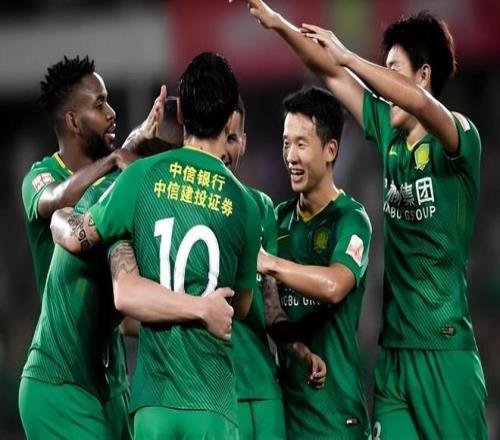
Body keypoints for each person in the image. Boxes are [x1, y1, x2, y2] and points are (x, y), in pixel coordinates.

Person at [235, 2, 487, 439]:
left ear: (424, 75)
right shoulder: (391, 135)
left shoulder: (458, 140)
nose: (383, 83)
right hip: (394, 355)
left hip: (446, 349)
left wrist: (351, 57)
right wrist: (278, 24)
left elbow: (413, 100)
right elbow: (329, 73)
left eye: (393, 69)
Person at [51, 51, 261, 439]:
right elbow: (242, 306)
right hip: (212, 404)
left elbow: (80, 238)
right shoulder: (247, 206)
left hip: (153, 403)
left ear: (179, 113)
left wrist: (57, 217)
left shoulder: (140, 177)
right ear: (229, 118)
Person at [253, 86, 372, 439]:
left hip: (337, 418)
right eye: (286, 143)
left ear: (330, 150)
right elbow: (273, 315)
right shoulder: (277, 220)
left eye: (301, 144)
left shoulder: (351, 220)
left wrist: (271, 264)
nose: (290, 155)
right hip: (286, 416)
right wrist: (301, 353)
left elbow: (335, 285)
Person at [227, 96, 327, 440]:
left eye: (233, 137)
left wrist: (301, 352)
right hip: (216, 393)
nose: (226, 149)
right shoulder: (187, 208)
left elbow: (271, 308)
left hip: (264, 390)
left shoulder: (261, 207)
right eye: (221, 136)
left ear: (244, 142)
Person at [21, 55, 135, 300]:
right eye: (99, 104)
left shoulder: (114, 174)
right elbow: (56, 198)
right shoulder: (39, 176)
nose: (112, 113)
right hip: (62, 326)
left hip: (116, 324)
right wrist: (112, 160)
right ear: (73, 121)